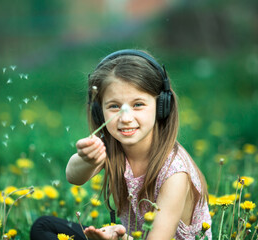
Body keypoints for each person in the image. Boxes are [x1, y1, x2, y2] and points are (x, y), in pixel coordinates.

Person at [30, 49, 212, 240]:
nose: (125, 118)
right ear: (99, 112)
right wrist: (87, 158)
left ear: (161, 107)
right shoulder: (114, 146)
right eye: (114, 106)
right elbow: (73, 176)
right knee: (43, 226)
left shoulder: (175, 173)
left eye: (138, 104)